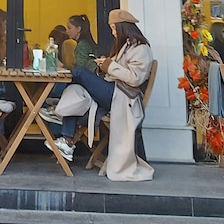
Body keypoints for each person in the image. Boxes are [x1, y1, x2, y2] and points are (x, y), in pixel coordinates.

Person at [47, 9, 154, 181]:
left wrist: (109, 66)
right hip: (114, 92)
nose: (112, 32)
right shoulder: (126, 46)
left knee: (80, 73)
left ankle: (53, 105)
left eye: (114, 28)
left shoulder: (141, 48)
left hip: (122, 96)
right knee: (78, 92)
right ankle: (67, 139)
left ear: (123, 28)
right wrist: (105, 66)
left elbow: (135, 78)